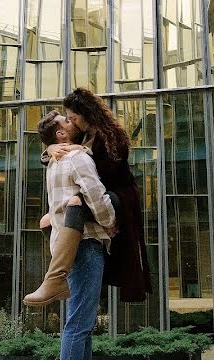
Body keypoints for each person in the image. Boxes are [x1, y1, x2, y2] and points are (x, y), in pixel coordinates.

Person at [46, 87, 152, 303]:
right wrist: (49, 150)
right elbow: (63, 151)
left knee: (75, 202)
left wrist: (80, 152)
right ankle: (58, 274)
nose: (71, 122)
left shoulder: (111, 136)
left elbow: (102, 174)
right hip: (97, 195)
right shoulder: (83, 134)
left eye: (73, 117)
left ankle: (56, 276)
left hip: (118, 196)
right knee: (48, 220)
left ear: (86, 114)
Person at [25, 110, 116, 360]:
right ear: (61, 133)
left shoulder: (56, 160)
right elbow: (95, 195)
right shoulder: (77, 157)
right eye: (67, 120)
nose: (72, 120)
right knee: (78, 325)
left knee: (82, 325)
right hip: (85, 243)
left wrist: (48, 149)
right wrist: (110, 221)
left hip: (69, 245)